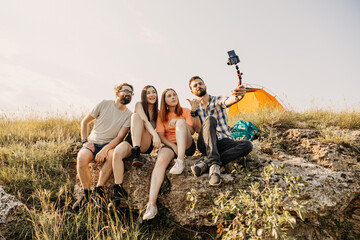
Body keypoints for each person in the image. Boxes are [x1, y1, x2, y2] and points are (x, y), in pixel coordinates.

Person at [72, 83, 133, 212]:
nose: (128, 94)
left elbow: (119, 137)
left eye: (131, 93)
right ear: (117, 93)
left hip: (109, 145)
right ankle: (86, 193)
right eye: (126, 91)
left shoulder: (129, 115)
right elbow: (85, 122)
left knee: (112, 155)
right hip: (93, 142)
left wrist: (105, 149)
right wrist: (84, 141)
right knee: (82, 157)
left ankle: (99, 189)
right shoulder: (104, 104)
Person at [187, 76, 253, 186]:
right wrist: (193, 111)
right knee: (210, 119)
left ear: (205, 86)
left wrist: (238, 97)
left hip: (224, 141)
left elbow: (228, 100)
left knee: (247, 145)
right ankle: (214, 165)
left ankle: (207, 163)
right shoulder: (195, 108)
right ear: (192, 91)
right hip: (206, 143)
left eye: (200, 83)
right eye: (195, 85)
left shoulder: (217, 100)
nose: (198, 86)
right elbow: (198, 129)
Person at [143, 88, 196, 220]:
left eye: (175, 95)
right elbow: (161, 136)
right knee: (160, 162)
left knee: (181, 122)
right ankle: (151, 205)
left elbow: (192, 131)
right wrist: (173, 146)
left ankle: (180, 162)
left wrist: (179, 122)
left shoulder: (185, 111)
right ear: (164, 100)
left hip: (187, 144)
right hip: (170, 144)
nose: (173, 97)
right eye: (169, 96)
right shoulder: (162, 115)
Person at [108, 85, 161, 210]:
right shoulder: (139, 105)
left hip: (145, 143)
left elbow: (155, 128)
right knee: (118, 152)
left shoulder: (159, 113)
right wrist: (155, 134)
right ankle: (118, 190)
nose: (152, 95)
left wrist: (155, 136)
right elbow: (144, 120)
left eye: (154, 92)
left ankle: (137, 153)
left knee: (136, 118)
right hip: (131, 141)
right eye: (148, 93)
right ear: (144, 95)